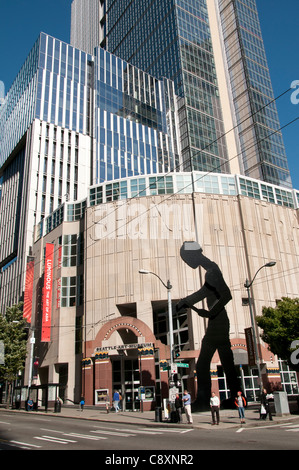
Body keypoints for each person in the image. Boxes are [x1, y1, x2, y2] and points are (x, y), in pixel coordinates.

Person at [176, 242, 241, 410]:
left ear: (193, 256)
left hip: (218, 320)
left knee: (203, 362)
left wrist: (211, 312)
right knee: (226, 362)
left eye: (186, 259)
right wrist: (186, 302)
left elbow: (227, 295)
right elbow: (204, 292)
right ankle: (236, 396)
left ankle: (205, 400)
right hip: (219, 319)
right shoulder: (211, 269)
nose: (187, 263)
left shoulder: (212, 271)